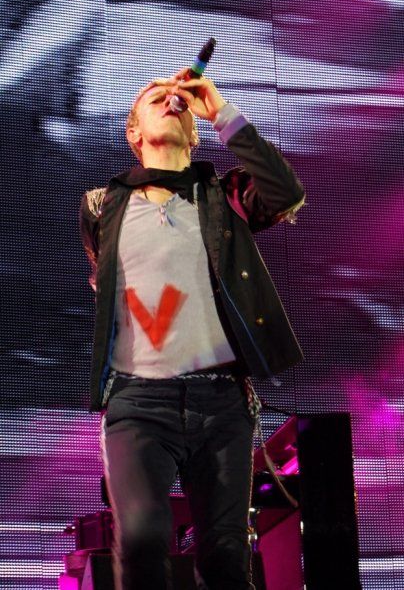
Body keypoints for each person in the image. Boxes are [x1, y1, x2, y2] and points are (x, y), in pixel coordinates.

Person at [79, 69, 305, 590]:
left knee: (226, 556)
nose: (170, 101)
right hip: (138, 402)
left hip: (221, 401)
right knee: (141, 541)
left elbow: (285, 192)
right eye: (155, 98)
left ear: (194, 134)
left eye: (177, 98)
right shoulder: (101, 205)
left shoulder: (223, 196)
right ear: (134, 132)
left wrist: (221, 111)